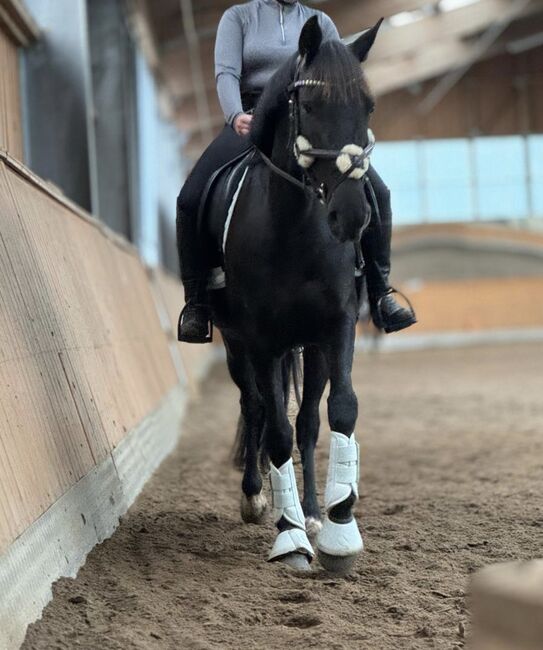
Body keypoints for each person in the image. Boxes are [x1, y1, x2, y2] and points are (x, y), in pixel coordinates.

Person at [176, 0, 416, 343]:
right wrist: (234, 114)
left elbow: (341, 75)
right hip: (253, 118)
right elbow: (226, 72)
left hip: (309, 124)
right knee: (190, 198)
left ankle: (380, 293)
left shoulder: (320, 22)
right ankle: (197, 303)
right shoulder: (239, 17)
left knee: (378, 192)